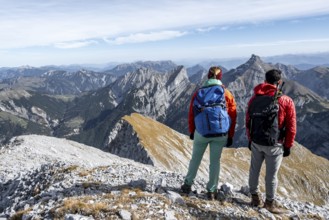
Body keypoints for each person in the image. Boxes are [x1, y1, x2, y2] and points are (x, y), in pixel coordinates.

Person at [181, 66, 237, 200]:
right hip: (220, 133)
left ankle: (187, 186)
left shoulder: (198, 93)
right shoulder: (226, 93)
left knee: (195, 159)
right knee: (215, 162)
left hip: (201, 132)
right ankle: (211, 191)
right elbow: (233, 115)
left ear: (208, 76)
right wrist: (230, 135)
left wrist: (192, 131)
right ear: (220, 77)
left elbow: (191, 114)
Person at [245, 69, 296, 213]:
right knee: (271, 175)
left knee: (254, 170)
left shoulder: (254, 98)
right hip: (275, 144)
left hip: (256, 141)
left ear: (265, 81)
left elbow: (248, 120)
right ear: (279, 82)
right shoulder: (286, 100)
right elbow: (292, 126)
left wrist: (250, 139)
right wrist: (288, 145)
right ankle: (269, 203)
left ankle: (254, 198)